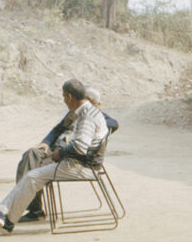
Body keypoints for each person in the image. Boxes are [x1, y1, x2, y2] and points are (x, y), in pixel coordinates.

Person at [0, 79, 111, 231]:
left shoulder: (87, 116)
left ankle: (5, 215)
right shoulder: (85, 112)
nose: (64, 101)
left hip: (81, 166)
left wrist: (59, 154)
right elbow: (59, 131)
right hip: (77, 162)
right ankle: (5, 215)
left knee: (32, 177)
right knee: (32, 171)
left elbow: (80, 147)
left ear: (69, 97)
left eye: (63, 97)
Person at [13, 84, 119, 222]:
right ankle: (28, 208)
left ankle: (23, 210)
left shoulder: (94, 115)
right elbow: (57, 129)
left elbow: (114, 123)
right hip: (55, 149)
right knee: (31, 154)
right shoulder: (73, 112)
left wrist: (92, 123)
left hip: (68, 155)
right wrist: (45, 142)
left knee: (34, 168)